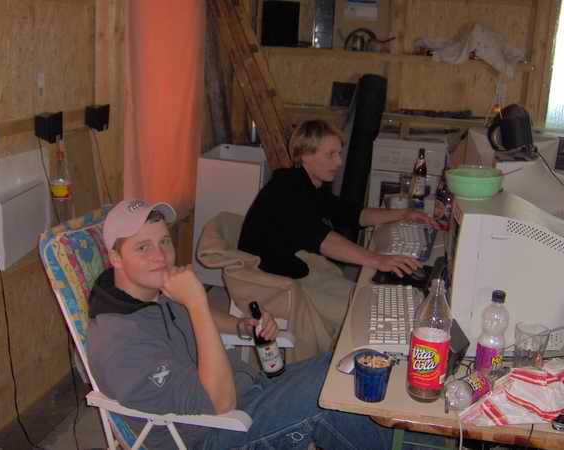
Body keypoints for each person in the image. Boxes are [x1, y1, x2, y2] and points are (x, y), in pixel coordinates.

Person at [87, 199, 392, 450]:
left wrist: (241, 326)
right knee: (322, 395)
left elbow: (195, 317)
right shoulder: (121, 343)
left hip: (247, 393)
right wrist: (196, 302)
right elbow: (218, 404)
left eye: (164, 241)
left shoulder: (148, 291)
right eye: (143, 247)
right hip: (210, 434)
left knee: (341, 367)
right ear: (116, 258)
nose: (161, 256)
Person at [238, 119, 435, 352]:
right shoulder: (288, 189)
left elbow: (352, 214)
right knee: (361, 316)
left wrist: (403, 214)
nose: (339, 162)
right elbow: (321, 239)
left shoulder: (309, 184)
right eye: (331, 154)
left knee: (366, 298)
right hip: (270, 280)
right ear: (305, 155)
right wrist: (377, 260)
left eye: (339, 154)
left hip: (292, 266)